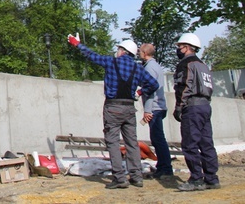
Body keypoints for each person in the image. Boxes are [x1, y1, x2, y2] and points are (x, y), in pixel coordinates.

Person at [68, 34, 159, 189]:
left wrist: (77, 44)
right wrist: (139, 93)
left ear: (123, 51)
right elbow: (154, 84)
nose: (116, 51)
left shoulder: (111, 63)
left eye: (118, 49)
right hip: (130, 108)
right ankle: (137, 177)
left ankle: (120, 178)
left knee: (113, 143)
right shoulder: (137, 68)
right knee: (132, 143)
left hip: (113, 107)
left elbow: (92, 55)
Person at [173, 33, 220, 191]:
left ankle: (196, 179)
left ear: (187, 47)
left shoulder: (186, 64)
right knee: (206, 143)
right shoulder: (203, 65)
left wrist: (179, 106)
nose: (178, 49)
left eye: (180, 46)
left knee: (190, 143)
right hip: (205, 106)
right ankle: (212, 178)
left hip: (192, 107)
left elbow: (183, 86)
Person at [138, 43, 173, 179]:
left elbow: (151, 89)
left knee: (158, 139)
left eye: (140, 51)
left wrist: (148, 110)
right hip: (158, 107)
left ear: (145, 53)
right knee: (157, 138)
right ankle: (163, 166)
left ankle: (165, 168)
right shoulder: (154, 66)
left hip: (155, 108)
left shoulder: (150, 68)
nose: (139, 53)